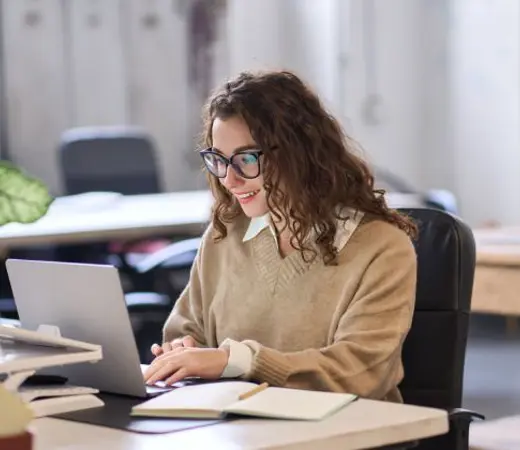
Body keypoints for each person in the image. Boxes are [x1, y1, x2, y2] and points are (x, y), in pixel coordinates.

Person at [143, 70, 418, 402]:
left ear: (299, 152)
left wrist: (236, 361)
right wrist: (181, 352)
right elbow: (188, 331)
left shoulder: (382, 248)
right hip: (236, 429)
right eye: (219, 160)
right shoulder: (225, 235)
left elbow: (361, 372)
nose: (230, 180)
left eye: (246, 159)